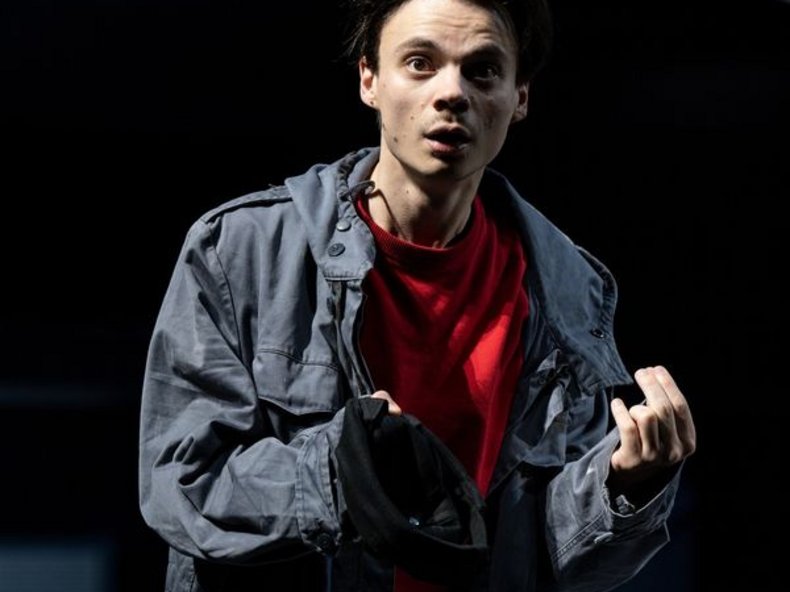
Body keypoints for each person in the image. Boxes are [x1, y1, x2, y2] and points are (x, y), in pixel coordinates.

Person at [138, 0, 697, 590]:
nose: (451, 93)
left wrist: (623, 484)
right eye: (420, 63)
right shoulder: (242, 250)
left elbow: (536, 553)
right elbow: (181, 483)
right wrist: (340, 472)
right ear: (369, 80)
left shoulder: (566, 289)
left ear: (519, 97)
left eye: (482, 70)